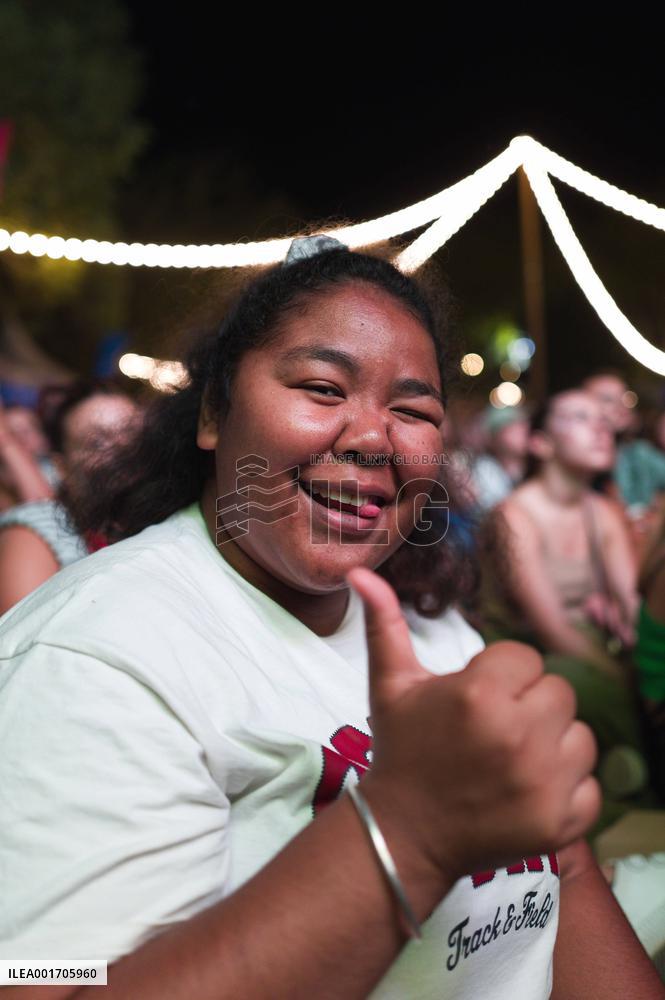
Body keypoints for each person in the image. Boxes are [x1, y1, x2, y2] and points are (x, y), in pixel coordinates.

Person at [0, 239, 660, 1000]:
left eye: (412, 410)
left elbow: (565, 881)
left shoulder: (429, 624)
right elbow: (37, 977)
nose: (373, 437)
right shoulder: (92, 653)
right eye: (321, 387)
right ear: (214, 412)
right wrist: (407, 831)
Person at [479, 390, 654, 813]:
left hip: (588, 647)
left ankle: (631, 777)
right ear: (541, 443)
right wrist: (632, 682)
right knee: (565, 673)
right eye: (580, 417)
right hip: (527, 652)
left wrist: (644, 650)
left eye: (602, 419)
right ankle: (645, 784)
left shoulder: (602, 510)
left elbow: (632, 605)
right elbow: (552, 630)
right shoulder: (514, 515)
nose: (601, 428)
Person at [0, 381, 141, 614]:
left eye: (133, 433)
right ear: (62, 467)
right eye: (97, 442)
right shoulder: (37, 529)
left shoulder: (181, 522)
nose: (123, 447)